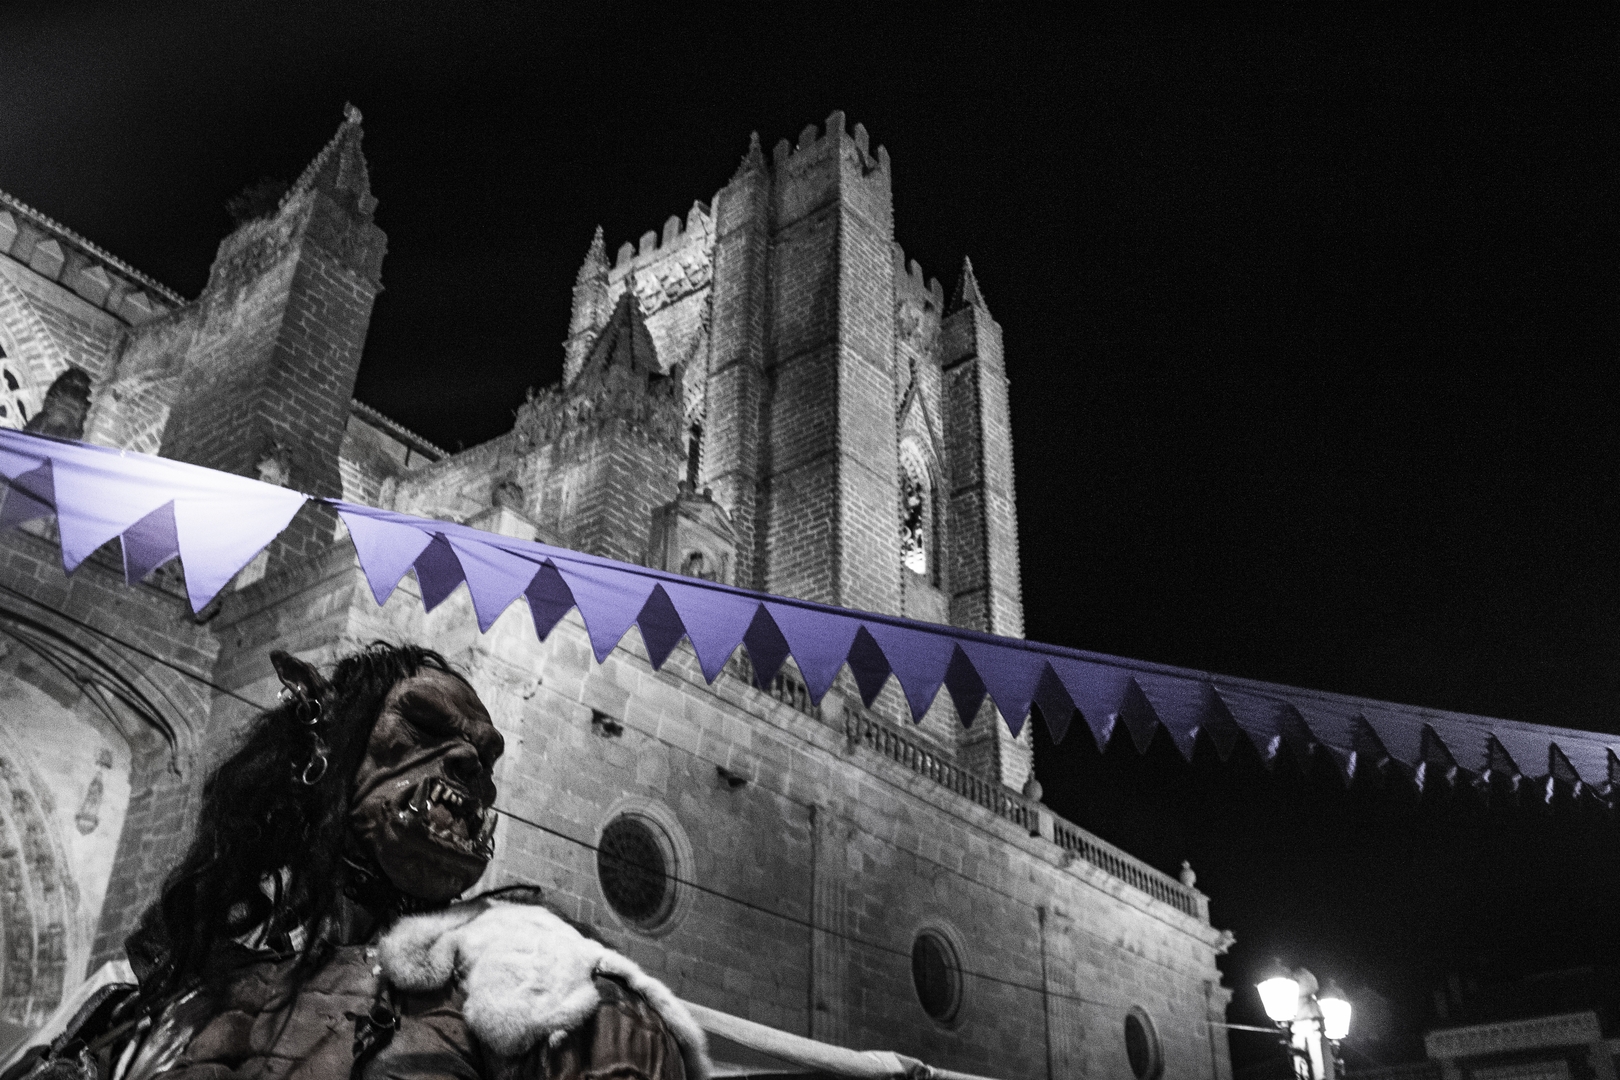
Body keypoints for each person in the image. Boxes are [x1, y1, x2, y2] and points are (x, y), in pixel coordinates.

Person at [4, 643, 706, 1080]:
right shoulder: (151, 999)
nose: (469, 765)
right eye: (423, 729)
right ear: (321, 753)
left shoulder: (542, 985)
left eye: (484, 758)